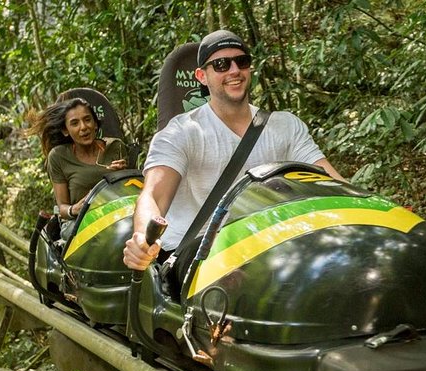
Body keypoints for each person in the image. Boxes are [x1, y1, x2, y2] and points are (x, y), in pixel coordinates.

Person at [123, 29, 345, 275]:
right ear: (202, 76)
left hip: (270, 246)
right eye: (220, 64)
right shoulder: (182, 131)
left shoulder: (285, 126)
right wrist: (143, 238)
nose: (233, 71)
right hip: (196, 251)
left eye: (241, 61)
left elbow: (332, 182)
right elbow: (153, 195)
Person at [25, 97, 128, 236]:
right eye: (75, 123)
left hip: (119, 218)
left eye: (87, 120)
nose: (83, 127)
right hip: (80, 226)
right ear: (65, 130)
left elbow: (132, 191)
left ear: (95, 124)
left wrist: (123, 174)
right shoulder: (58, 156)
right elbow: (62, 207)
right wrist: (74, 209)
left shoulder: (116, 147)